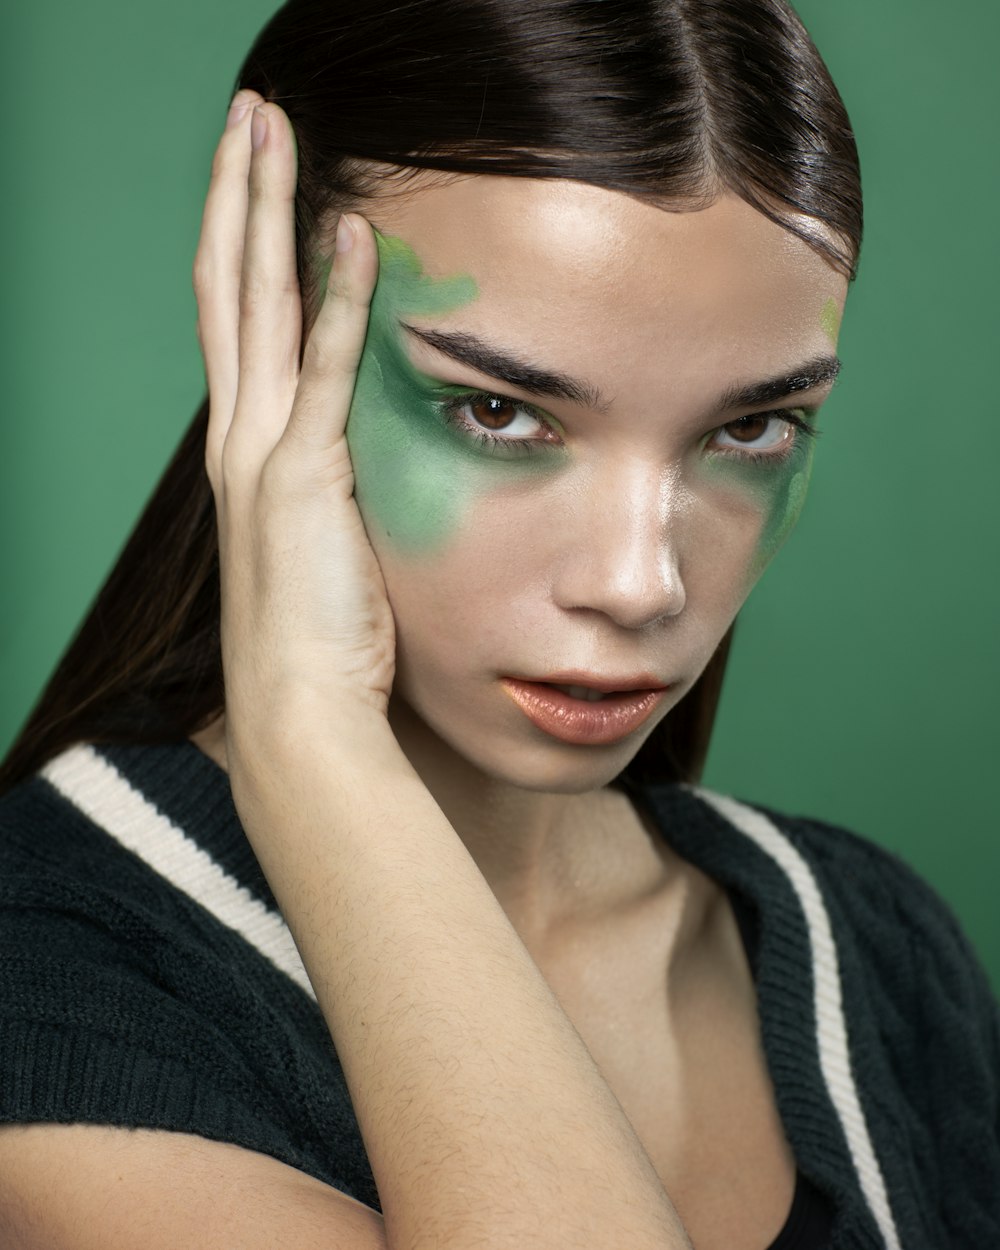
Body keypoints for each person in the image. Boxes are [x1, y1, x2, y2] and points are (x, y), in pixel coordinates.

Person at [0, 0, 996, 1246]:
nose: (640, 583)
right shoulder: (44, 973)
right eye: (499, 413)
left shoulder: (868, 941)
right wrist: (314, 747)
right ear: (270, 343)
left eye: (750, 428)